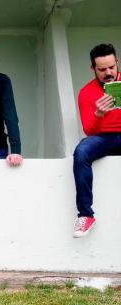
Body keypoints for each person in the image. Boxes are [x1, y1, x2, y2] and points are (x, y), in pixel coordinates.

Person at [73, 43, 121, 238]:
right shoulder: (86, 93)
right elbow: (89, 131)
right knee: (81, 151)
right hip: (104, 138)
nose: (108, 72)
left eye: (111, 67)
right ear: (93, 69)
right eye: (102, 69)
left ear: (117, 63)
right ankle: (86, 215)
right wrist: (99, 114)